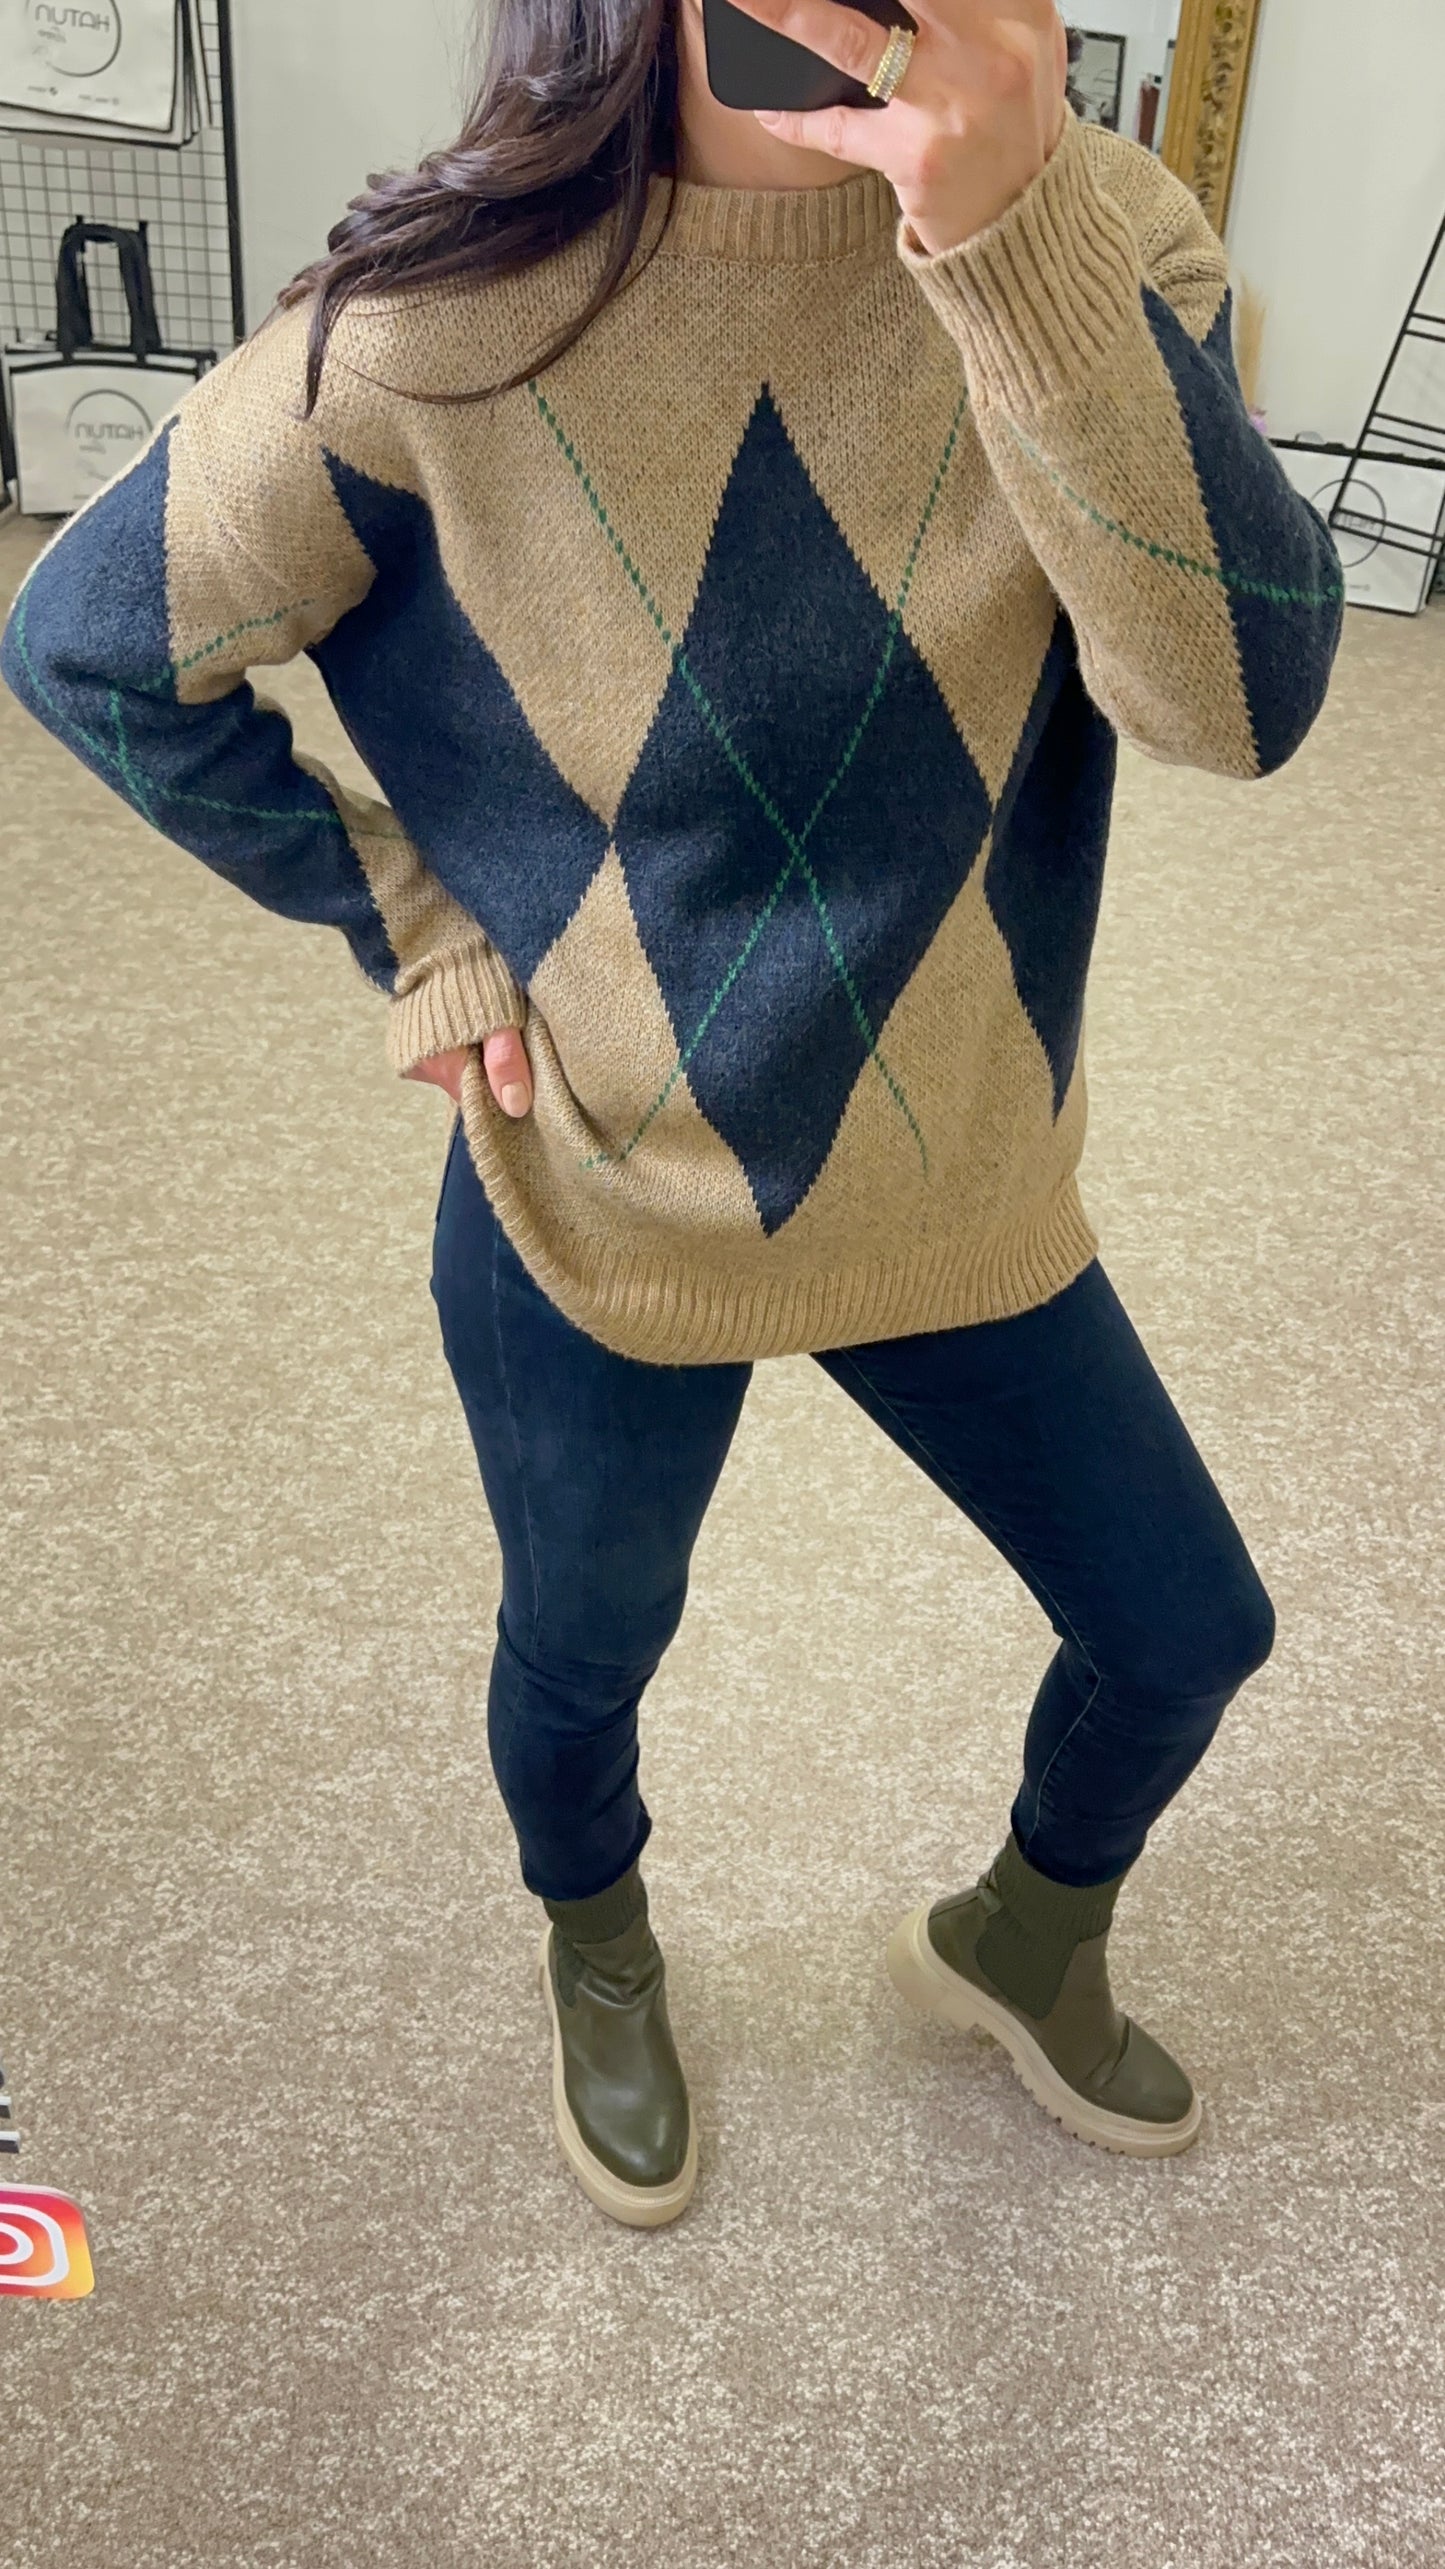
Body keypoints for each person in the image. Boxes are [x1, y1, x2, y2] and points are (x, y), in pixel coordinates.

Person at [0, 0, 1344, 2227]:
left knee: (1187, 1628)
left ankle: (1025, 1933)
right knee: (584, 1646)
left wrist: (1014, 248)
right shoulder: (434, 327)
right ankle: (599, 1941)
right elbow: (89, 644)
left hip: (960, 1170)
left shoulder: (1118, 238)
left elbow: (1235, 703)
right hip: (598, 1191)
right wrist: (405, 913)